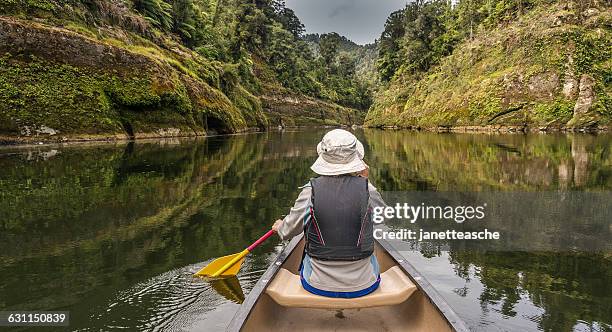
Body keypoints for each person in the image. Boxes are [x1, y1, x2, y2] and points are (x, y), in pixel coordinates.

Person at [272, 129, 386, 298]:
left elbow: (288, 232)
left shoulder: (309, 191)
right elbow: (383, 217)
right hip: (365, 284)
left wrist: (281, 227)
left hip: (317, 284)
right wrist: (364, 182)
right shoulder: (367, 189)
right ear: (357, 159)